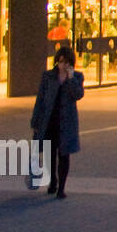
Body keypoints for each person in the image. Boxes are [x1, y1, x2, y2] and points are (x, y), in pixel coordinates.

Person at [30, 46, 83, 198]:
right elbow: (40, 100)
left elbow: (78, 95)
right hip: (50, 120)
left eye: (66, 63)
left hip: (66, 122)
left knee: (64, 154)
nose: (63, 65)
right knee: (49, 153)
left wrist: (71, 78)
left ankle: (62, 188)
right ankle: (52, 180)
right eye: (60, 62)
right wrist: (35, 121)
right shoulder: (48, 76)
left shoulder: (77, 77)